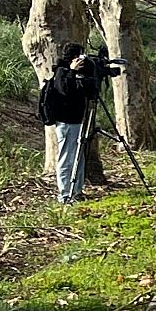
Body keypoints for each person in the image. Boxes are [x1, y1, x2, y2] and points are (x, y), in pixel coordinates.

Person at [44, 42, 92, 204]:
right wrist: (72, 71)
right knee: (66, 157)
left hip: (79, 120)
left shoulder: (79, 73)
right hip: (65, 122)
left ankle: (77, 190)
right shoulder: (61, 72)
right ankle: (65, 193)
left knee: (79, 157)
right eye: (79, 56)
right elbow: (65, 90)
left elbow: (87, 92)